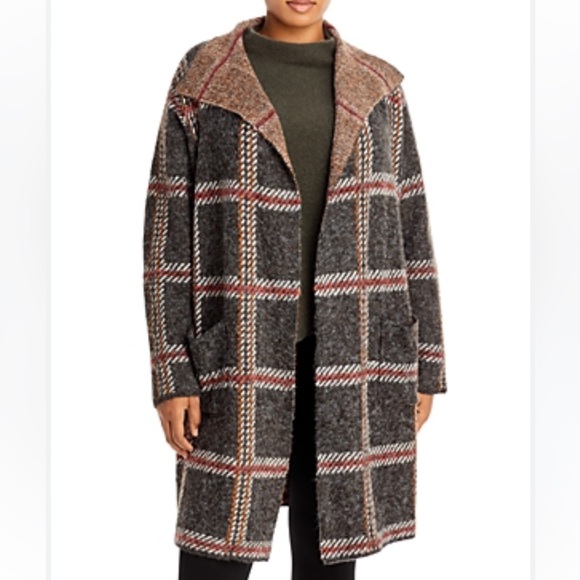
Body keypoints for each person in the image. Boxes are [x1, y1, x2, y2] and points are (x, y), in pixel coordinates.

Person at [143, 1, 447, 578]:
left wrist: (425, 362)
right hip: (237, 352)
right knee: (214, 552)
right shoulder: (205, 75)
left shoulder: (379, 85)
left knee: (329, 552)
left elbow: (411, 223)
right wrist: (171, 372)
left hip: (354, 354)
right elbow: (167, 238)